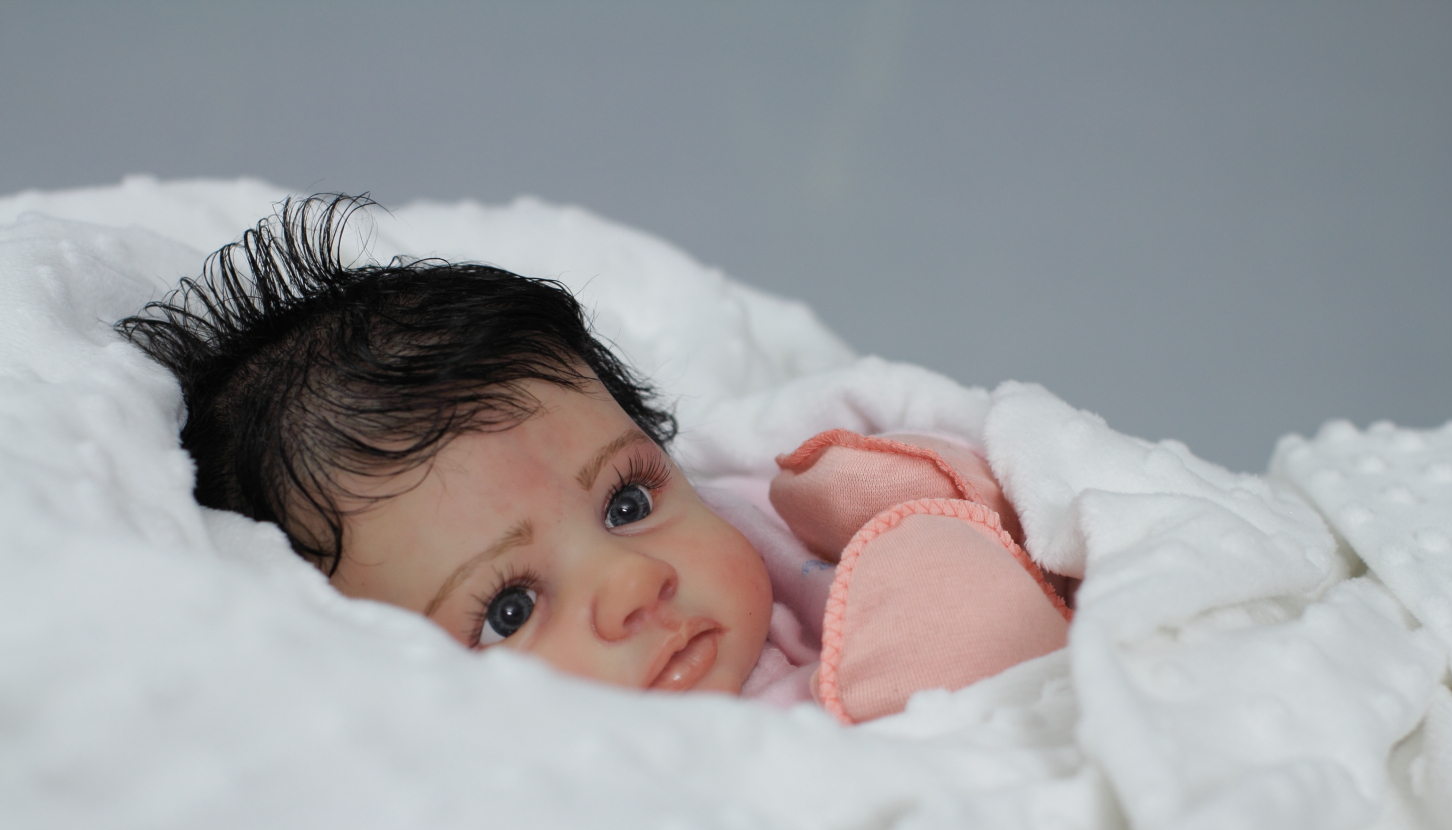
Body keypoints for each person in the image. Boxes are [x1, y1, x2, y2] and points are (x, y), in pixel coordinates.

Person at [117, 195, 1070, 723]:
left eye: (626, 503)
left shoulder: (772, 543)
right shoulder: (572, 800)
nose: (632, 583)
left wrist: (917, 510)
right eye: (510, 608)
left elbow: (964, 490)